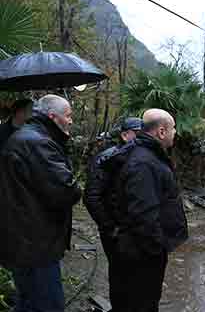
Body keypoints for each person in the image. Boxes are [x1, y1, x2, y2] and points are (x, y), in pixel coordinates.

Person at [0, 94, 81, 312]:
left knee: (27, 301)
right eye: (68, 115)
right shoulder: (38, 143)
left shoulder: (28, 137)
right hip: (35, 244)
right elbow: (67, 190)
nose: (71, 121)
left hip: (21, 239)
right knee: (48, 305)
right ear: (53, 117)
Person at [110, 109, 188, 312]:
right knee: (141, 303)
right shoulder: (143, 162)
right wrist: (157, 249)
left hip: (142, 250)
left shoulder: (149, 156)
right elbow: (143, 214)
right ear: (161, 131)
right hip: (141, 254)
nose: (175, 133)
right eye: (173, 129)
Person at [83, 117, 143, 280]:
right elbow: (91, 197)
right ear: (125, 135)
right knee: (119, 272)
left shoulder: (141, 159)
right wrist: (110, 227)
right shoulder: (107, 159)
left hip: (135, 230)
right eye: (138, 134)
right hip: (116, 230)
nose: (142, 138)